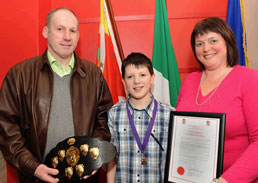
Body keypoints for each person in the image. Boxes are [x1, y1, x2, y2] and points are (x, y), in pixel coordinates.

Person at [0, 8, 113, 183]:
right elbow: (7, 128)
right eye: (60, 29)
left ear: (77, 35)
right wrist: (32, 166)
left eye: (72, 30)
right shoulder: (19, 75)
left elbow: (105, 120)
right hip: (35, 178)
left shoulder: (94, 74)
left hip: (83, 177)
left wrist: (91, 158)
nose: (67, 36)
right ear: (46, 32)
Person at [176, 17, 258, 183]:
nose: (206, 48)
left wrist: (227, 180)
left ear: (227, 42)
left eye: (213, 40)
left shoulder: (251, 80)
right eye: (199, 44)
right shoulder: (189, 81)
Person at [106, 52, 174, 183]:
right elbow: (111, 158)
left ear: (152, 78)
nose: (137, 81)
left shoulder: (169, 114)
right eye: (130, 77)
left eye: (142, 75)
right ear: (123, 81)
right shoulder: (114, 113)